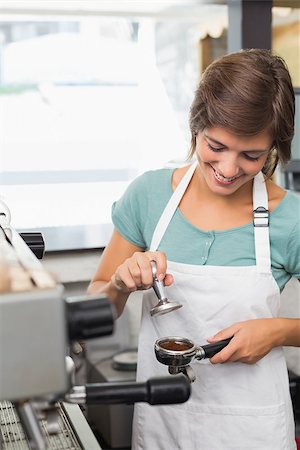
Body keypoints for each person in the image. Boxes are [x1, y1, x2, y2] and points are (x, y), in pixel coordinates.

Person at [88, 49, 300, 449]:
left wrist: (278, 331)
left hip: (252, 430)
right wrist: (118, 283)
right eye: (215, 145)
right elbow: (99, 302)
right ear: (195, 126)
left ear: (273, 148)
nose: (229, 167)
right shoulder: (148, 196)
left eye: (251, 155)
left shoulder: (290, 220)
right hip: (165, 425)